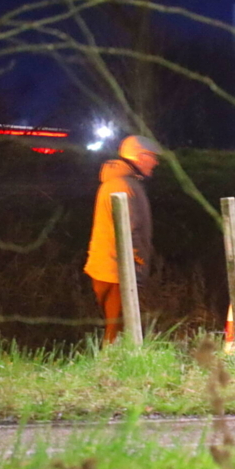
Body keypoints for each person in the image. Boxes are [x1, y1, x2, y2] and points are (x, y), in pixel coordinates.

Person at [84, 135, 161, 345]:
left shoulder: (122, 183)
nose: (156, 162)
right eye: (152, 157)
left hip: (110, 268)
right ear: (139, 157)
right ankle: (110, 372)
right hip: (118, 272)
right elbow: (129, 232)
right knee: (117, 333)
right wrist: (139, 266)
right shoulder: (123, 186)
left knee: (116, 329)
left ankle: (111, 369)